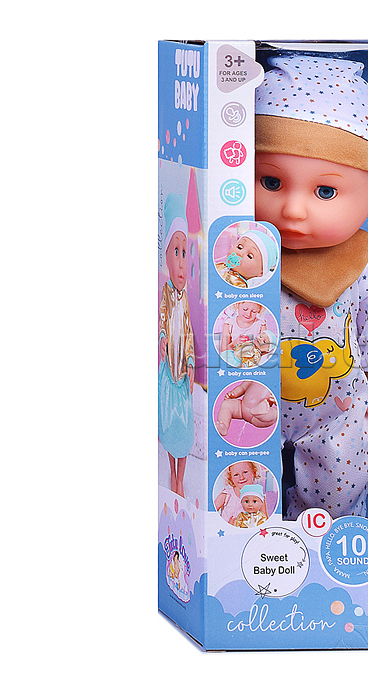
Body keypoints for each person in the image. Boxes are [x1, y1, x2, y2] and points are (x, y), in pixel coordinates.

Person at [254, 56, 368, 518]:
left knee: (342, 476)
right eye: (271, 182)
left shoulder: (359, 260)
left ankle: (332, 540)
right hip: (248, 397)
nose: (293, 210)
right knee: (241, 481)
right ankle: (248, 543)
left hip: (338, 408)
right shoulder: (241, 251)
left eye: (325, 191)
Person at [158, 194, 195, 498]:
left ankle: (181, 476)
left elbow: (189, 331)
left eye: (185, 253)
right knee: (170, 424)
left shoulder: (185, 300)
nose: (181, 263)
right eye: (176, 252)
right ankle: (173, 475)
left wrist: (191, 362)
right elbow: (162, 319)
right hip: (168, 372)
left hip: (183, 373)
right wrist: (162, 338)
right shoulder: (167, 294)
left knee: (184, 425)